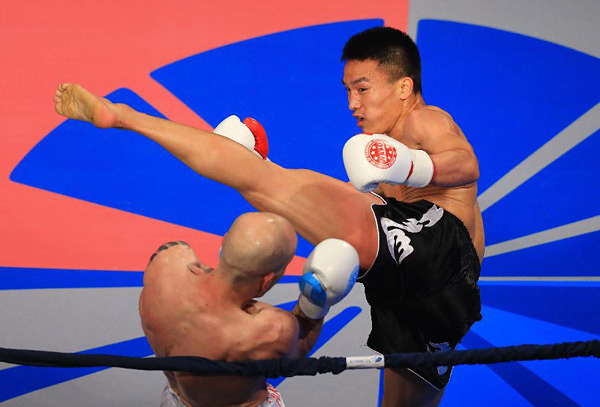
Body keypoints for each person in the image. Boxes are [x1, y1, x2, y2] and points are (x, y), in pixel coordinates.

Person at [54, 24, 483, 404]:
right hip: (425, 291)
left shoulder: (424, 121)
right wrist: (264, 164)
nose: (352, 103)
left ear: (404, 88)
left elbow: (466, 164)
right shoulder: (381, 151)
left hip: (438, 248)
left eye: (363, 89)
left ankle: (126, 117)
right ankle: (245, 159)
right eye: (347, 90)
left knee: (263, 182)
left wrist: (408, 164)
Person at [139, 211, 360, 407]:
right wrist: (316, 300)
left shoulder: (166, 264)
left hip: (176, 399)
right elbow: (299, 346)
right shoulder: (268, 330)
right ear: (267, 281)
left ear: (224, 244)